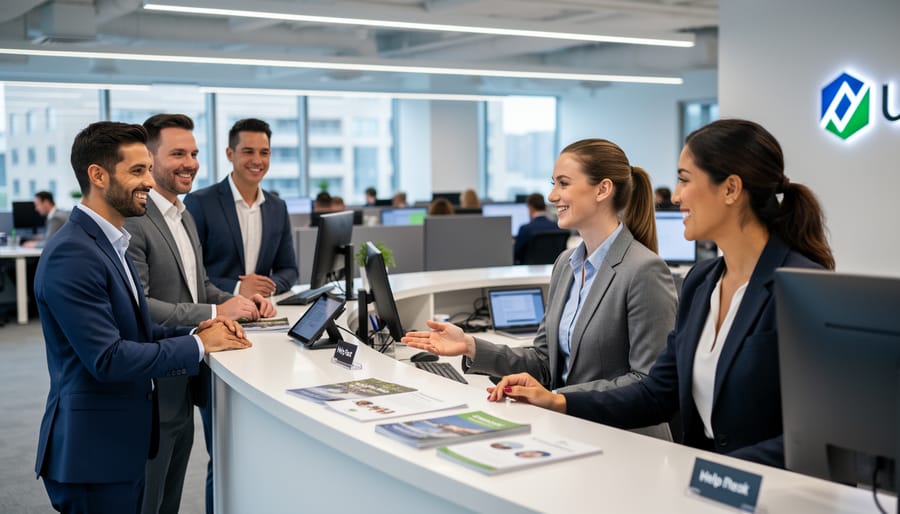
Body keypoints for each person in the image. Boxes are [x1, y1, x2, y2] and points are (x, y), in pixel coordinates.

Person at [487, 119, 835, 469]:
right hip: (703, 483)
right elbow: (657, 392)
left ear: (730, 189)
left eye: (685, 179)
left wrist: (718, 474)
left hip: (769, 491)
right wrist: (557, 402)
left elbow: (821, 432)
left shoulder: (803, 286)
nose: (677, 195)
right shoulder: (702, 282)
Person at [33, 121, 251, 514]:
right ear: (97, 176)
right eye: (137, 171)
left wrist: (196, 327)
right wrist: (199, 345)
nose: (150, 181)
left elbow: (136, 327)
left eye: (149, 168)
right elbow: (108, 358)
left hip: (124, 438)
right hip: (93, 452)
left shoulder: (112, 240)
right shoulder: (74, 253)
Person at [404, 139, 678, 439]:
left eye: (563, 183)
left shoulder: (643, 270)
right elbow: (545, 362)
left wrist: (559, 399)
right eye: (553, 183)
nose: (552, 195)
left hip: (628, 440)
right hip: (574, 431)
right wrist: (470, 345)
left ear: (603, 189)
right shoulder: (566, 264)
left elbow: (648, 384)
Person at [124, 114, 275, 514]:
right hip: (155, 378)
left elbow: (199, 285)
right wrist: (214, 308)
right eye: (177, 153)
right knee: (149, 495)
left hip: (187, 375)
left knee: (171, 490)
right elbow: (140, 306)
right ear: (150, 159)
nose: (189, 162)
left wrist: (238, 303)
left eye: (192, 153)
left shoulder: (183, 214)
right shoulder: (135, 221)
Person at [184, 118, 298, 298]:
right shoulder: (199, 203)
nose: (257, 160)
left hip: (262, 309)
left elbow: (289, 269)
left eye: (264, 152)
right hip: (219, 310)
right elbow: (190, 273)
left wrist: (267, 287)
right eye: (248, 151)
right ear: (230, 154)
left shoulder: (277, 207)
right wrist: (238, 288)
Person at [513, 192, 560, 264]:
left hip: (529, 271)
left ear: (530, 208)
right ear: (545, 207)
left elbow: (516, 254)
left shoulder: (525, 229)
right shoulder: (557, 226)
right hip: (552, 269)